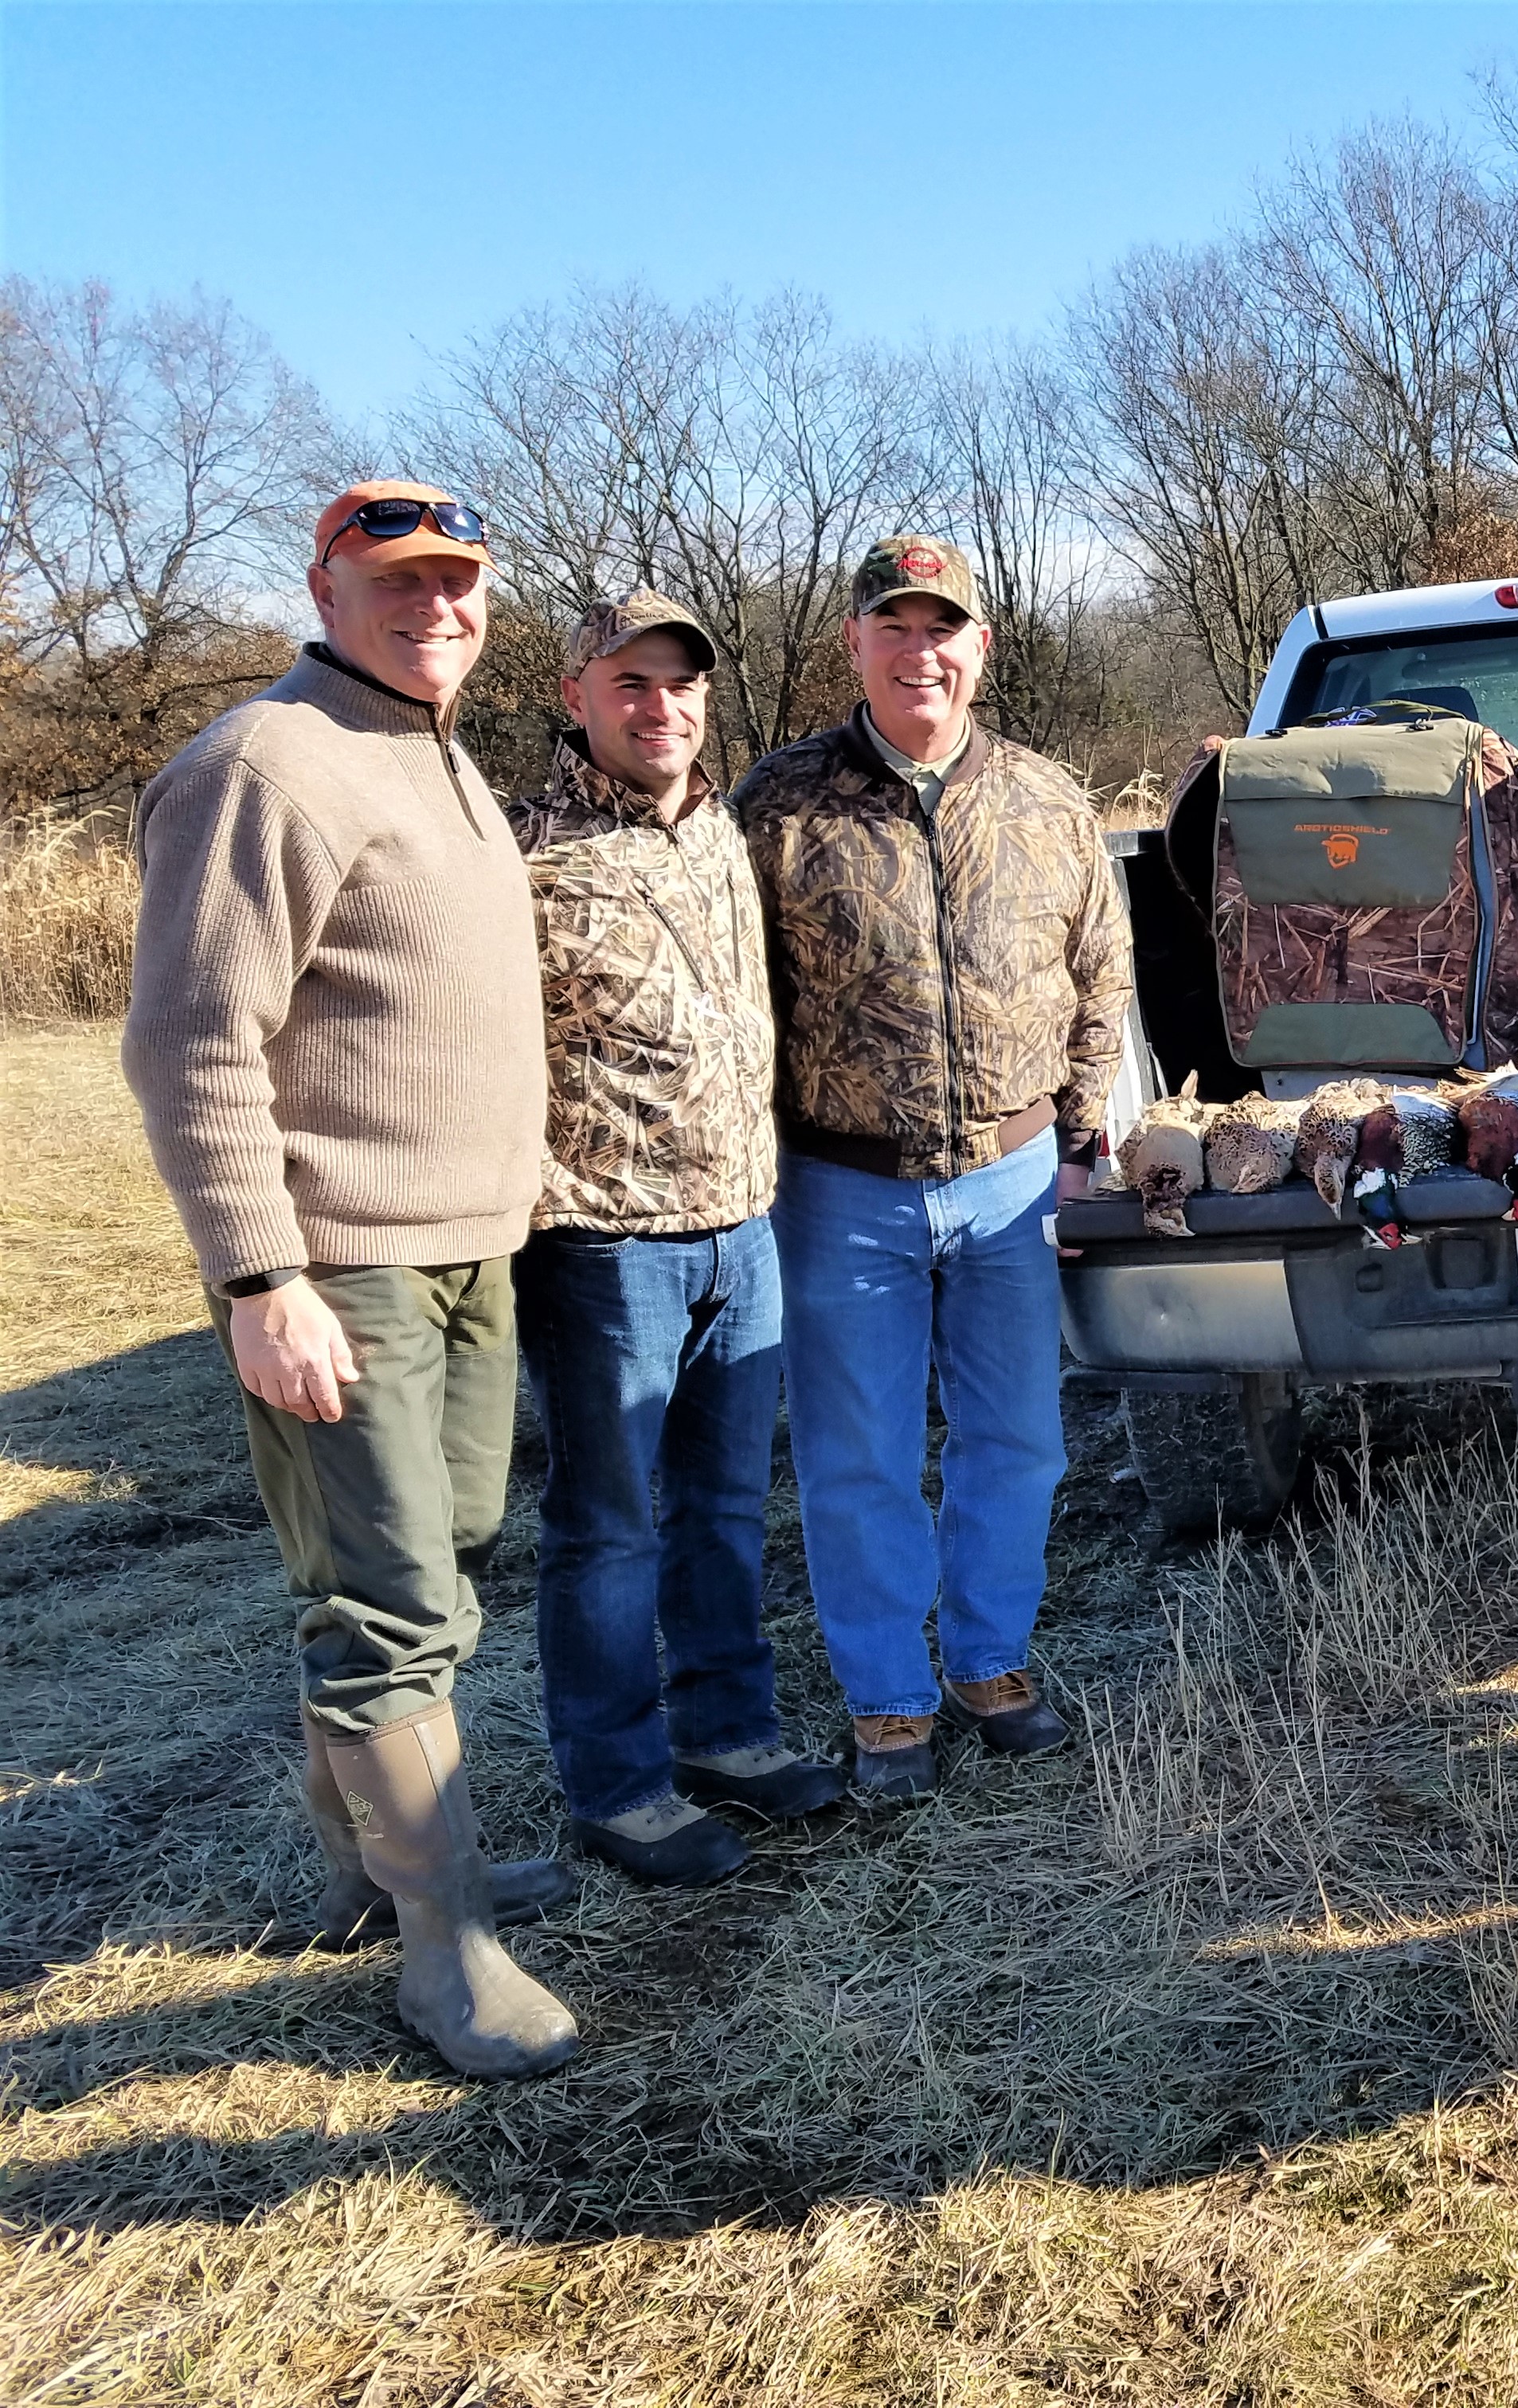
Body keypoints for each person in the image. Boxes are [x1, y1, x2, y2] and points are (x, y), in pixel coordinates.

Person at [122, 481, 577, 2078]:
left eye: (457, 580)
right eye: (396, 581)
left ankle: (369, 1874)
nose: (434, 605)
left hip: (469, 1249)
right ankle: (445, 1949)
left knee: (442, 1561)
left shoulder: (432, 754)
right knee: (390, 1607)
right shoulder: (265, 762)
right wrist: (261, 1278)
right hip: (343, 1263)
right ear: (324, 591)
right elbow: (191, 1041)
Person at [733, 534, 1133, 1800]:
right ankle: (888, 1698)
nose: (922, 653)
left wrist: (1079, 1142)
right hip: (842, 1185)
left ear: (980, 647)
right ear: (854, 642)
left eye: (942, 629)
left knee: (1017, 1439)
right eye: (895, 628)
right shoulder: (779, 803)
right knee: (858, 1458)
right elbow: (736, 997)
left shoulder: (1046, 798)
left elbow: (1101, 976)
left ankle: (988, 1661)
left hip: (1013, 1177)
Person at [507, 593, 847, 1885]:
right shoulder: (518, 847)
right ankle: (620, 1787)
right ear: (577, 694)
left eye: (681, 683)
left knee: (724, 1506)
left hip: (742, 1224)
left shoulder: (720, 827)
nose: (662, 707)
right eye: (631, 682)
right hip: (603, 1243)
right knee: (608, 1529)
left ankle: (728, 1736)